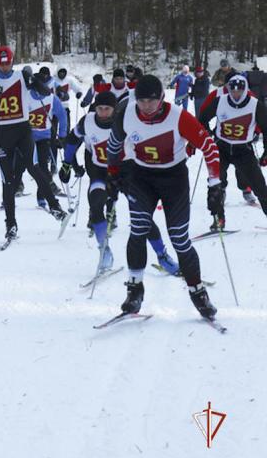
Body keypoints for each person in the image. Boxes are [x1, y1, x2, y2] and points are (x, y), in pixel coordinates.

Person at [106, 74, 222, 319]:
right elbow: (114, 145)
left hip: (174, 178)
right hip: (141, 177)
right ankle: (134, 290)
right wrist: (113, 174)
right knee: (138, 228)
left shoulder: (177, 116)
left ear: (162, 98)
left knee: (179, 238)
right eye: (142, 101)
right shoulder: (126, 113)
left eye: (152, 101)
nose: (146, 106)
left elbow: (209, 146)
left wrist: (215, 185)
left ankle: (197, 292)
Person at [60, 90, 180, 274]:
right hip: (100, 172)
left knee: (142, 216)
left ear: (114, 109)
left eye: (107, 109)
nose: (103, 112)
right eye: (99, 108)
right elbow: (72, 139)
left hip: (126, 172)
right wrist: (67, 163)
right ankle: (104, 251)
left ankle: (162, 255)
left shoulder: (125, 121)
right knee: (96, 206)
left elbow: (147, 139)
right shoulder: (88, 121)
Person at [0, 45, 68, 240]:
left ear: (12, 61)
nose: (5, 67)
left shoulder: (21, 76)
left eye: (8, 63)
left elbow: (44, 91)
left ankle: (56, 208)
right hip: (2, 132)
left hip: (22, 130)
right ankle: (11, 225)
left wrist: (36, 81)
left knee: (34, 168)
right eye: (1, 64)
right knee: (7, 179)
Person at [198, 74, 267, 229]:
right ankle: (218, 219)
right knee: (215, 184)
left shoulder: (255, 105)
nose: (235, 94)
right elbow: (202, 117)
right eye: (232, 90)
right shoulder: (220, 101)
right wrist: (207, 133)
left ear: (245, 90)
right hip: (221, 147)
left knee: (259, 186)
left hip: (243, 150)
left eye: (239, 91)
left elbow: (266, 128)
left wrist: (265, 152)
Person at [28, 72, 67, 207]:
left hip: (43, 138)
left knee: (43, 168)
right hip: (26, 139)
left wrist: (62, 135)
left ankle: (41, 197)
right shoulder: (26, 96)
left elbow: (62, 116)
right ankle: (11, 195)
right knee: (19, 167)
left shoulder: (52, 98)